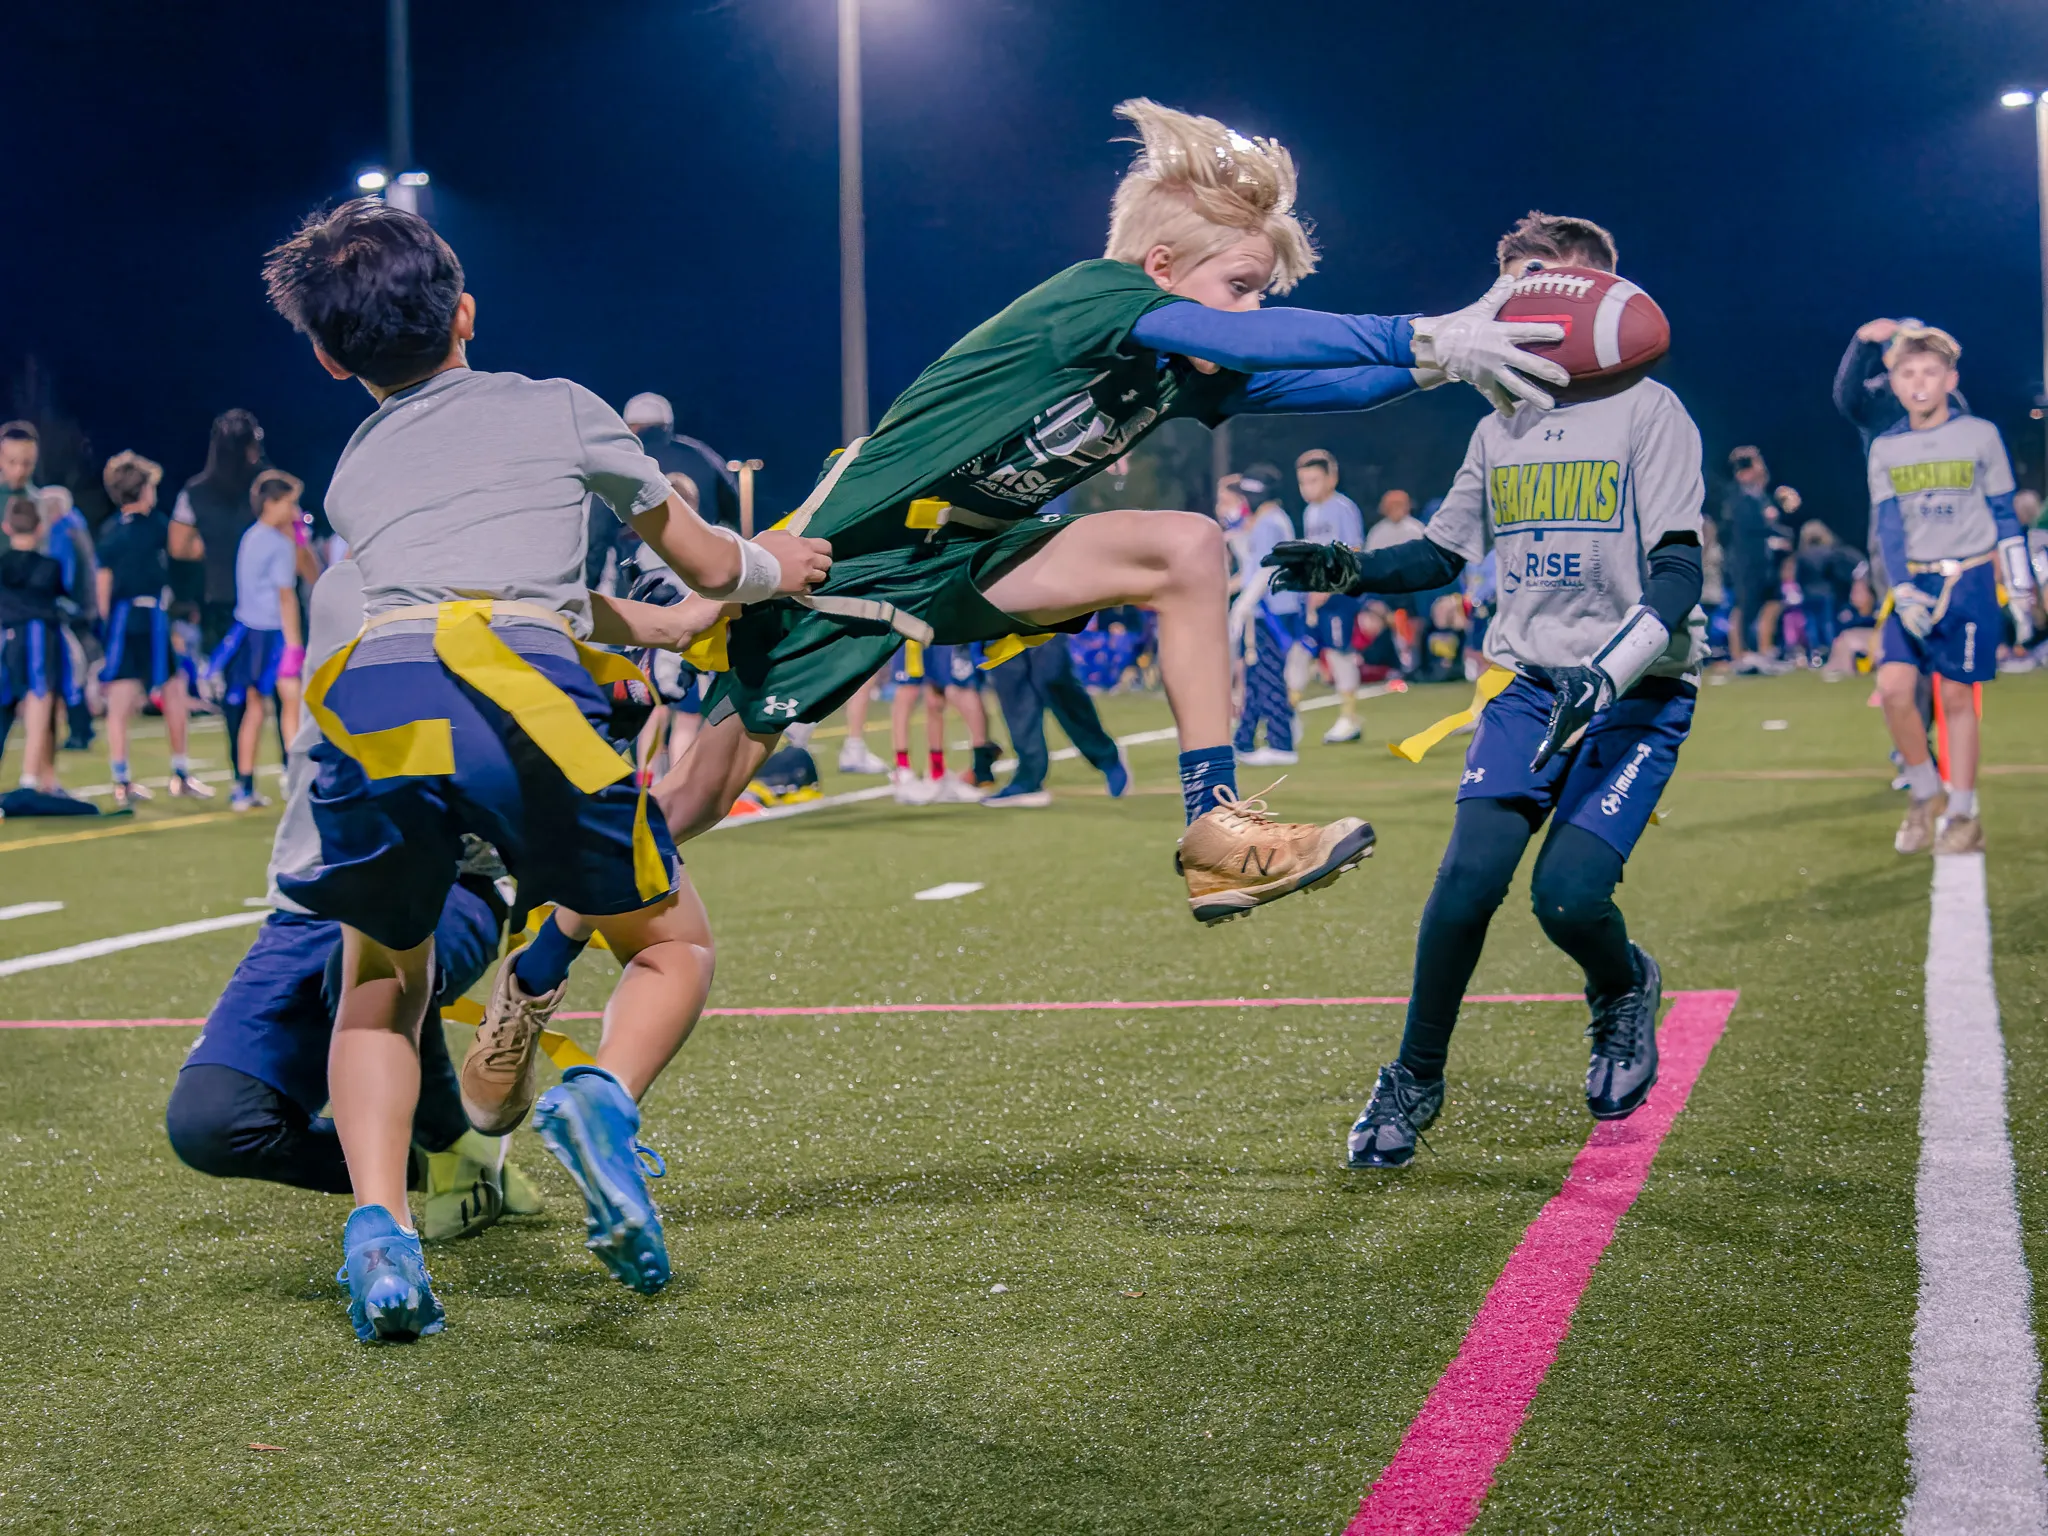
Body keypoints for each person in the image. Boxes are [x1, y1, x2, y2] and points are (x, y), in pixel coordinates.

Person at [652, 99, 1569, 928]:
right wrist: (1421, 330)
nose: (1252, 307)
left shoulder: (1178, 368)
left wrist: (1445, 359)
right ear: (1161, 268)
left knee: (1188, 547)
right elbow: (1247, 339)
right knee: (692, 801)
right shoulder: (1095, 294)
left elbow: (1337, 383)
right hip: (838, 557)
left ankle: (1215, 829)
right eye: (1241, 284)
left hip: (966, 556)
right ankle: (565, 921)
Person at [261, 196, 828, 1340]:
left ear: (329, 358)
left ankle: (380, 1238)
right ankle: (599, 1100)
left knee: (380, 983)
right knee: (670, 945)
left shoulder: (354, 467)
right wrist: (773, 564)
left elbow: (459, 585)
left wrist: (644, 625)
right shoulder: (560, 406)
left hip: (375, 701)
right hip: (519, 695)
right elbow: (707, 561)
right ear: (465, 312)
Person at [1265, 209, 1708, 1169]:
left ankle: (1622, 985)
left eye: (1536, 280)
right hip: (1529, 687)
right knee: (1465, 884)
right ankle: (1413, 1077)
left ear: (1592, 289)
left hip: (1636, 693)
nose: (1514, 302)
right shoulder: (1499, 422)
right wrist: (1349, 569)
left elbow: (1679, 572)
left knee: (1568, 899)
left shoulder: (1651, 411)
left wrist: (1612, 669)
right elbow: (1440, 552)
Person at [168, 560, 539, 1238]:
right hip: (315, 896)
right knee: (212, 1124)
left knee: (374, 960)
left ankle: (436, 1169)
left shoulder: (501, 576)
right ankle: (444, 1157)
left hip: (458, 881)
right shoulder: (346, 583)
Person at [1866, 325, 2035, 855]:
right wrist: (1902, 589)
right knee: (1894, 688)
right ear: (1894, 382)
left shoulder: (1981, 435)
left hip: (1971, 578)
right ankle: (1925, 792)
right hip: (1914, 582)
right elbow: (1888, 527)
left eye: (1930, 372)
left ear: (1950, 379)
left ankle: (1962, 812)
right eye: (1908, 373)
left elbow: (2005, 514)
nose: (1919, 383)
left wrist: (2022, 588)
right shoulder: (1885, 448)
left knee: (1958, 696)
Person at [95, 452, 211, 808]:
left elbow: (102, 585)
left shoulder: (109, 530)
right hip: (147, 619)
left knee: (130, 700)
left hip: (127, 620)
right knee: (167, 693)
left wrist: (105, 628)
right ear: (144, 489)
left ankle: (125, 780)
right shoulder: (158, 526)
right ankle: (176, 774)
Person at [210, 470, 304, 810]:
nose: (294, 511)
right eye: (290, 503)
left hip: (247, 631)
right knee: (291, 702)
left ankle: (244, 785)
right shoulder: (279, 543)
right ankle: (295, 778)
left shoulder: (250, 536)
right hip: (273, 633)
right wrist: (294, 644)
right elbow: (286, 597)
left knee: (253, 708)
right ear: (271, 503)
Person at [172, 409, 267, 653]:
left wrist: (213, 549)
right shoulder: (269, 487)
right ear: (252, 447)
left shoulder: (193, 492)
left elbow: (178, 547)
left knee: (220, 667)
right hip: (267, 598)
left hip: (217, 596)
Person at [1230, 469, 1303, 765]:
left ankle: (1281, 744)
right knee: (1257, 676)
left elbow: (1266, 568)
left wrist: (1243, 604)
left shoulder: (1269, 523)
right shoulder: (1273, 520)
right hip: (1272, 607)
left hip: (1271, 609)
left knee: (1269, 675)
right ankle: (1244, 739)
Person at [0, 494, 71, 790]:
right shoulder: (50, 565)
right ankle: (30, 780)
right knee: (40, 701)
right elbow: (64, 595)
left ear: (6, 527)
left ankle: (40, 781)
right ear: (40, 527)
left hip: (6, 637)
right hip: (39, 637)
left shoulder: (3, 564)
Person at [1296, 450, 1368, 743]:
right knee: (1302, 651)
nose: (1307, 488)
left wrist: (1328, 587)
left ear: (1331, 478)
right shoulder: (1309, 512)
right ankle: (1289, 717)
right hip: (1315, 594)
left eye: (1314, 480)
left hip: (1338, 594)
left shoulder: (1342, 508)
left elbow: (1353, 550)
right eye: (1303, 482)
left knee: (1340, 654)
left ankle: (1350, 718)